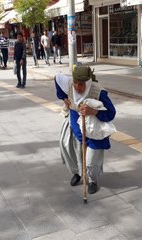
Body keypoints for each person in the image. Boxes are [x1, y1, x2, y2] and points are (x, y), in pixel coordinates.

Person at [55, 65, 116, 194]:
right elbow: (57, 78)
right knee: (71, 149)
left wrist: (94, 111)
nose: (78, 87)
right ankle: (77, 173)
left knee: (91, 159)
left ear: (88, 82)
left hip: (94, 129)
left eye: (82, 84)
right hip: (76, 125)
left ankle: (93, 180)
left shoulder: (98, 91)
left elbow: (111, 113)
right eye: (76, 83)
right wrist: (64, 98)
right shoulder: (69, 83)